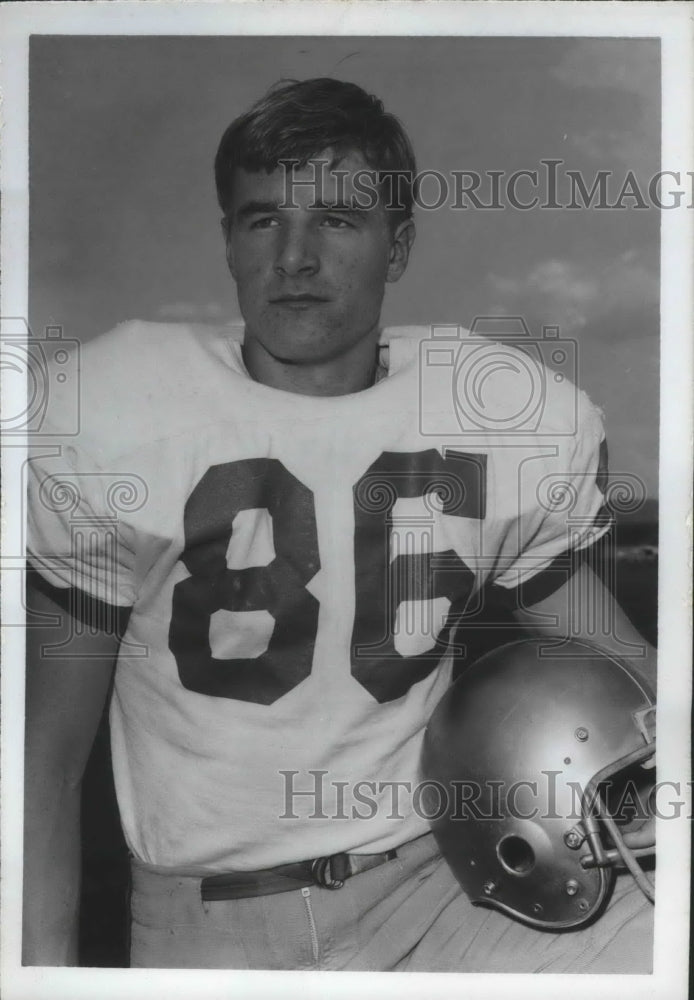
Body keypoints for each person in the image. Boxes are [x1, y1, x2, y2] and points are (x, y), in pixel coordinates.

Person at [24, 77, 656, 972]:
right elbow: (41, 764)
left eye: (337, 220)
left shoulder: (484, 415)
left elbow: (641, 681)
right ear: (229, 243)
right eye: (262, 221)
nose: (295, 258)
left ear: (397, 249)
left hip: (451, 895)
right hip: (214, 926)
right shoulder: (120, 416)